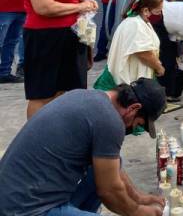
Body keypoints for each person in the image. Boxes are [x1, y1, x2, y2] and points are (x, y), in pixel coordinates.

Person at [0, 77, 167, 216]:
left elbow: (113, 173)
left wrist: (139, 199)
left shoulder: (88, 98)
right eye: (138, 124)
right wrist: (138, 211)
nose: (132, 129)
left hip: (12, 197)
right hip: (26, 209)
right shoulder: (110, 121)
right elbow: (109, 191)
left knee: (108, 164)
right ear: (133, 109)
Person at [18, 0, 100, 119]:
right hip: (46, 38)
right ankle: (37, 136)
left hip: (68, 37)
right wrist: (79, 7)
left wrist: (81, 2)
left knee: (67, 92)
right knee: (44, 94)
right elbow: (44, 7)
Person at [94, 0, 164, 93]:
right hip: (131, 78)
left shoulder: (138, 21)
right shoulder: (135, 24)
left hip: (135, 76)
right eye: (158, 11)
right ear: (145, 10)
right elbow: (144, 53)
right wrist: (159, 67)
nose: (160, 14)